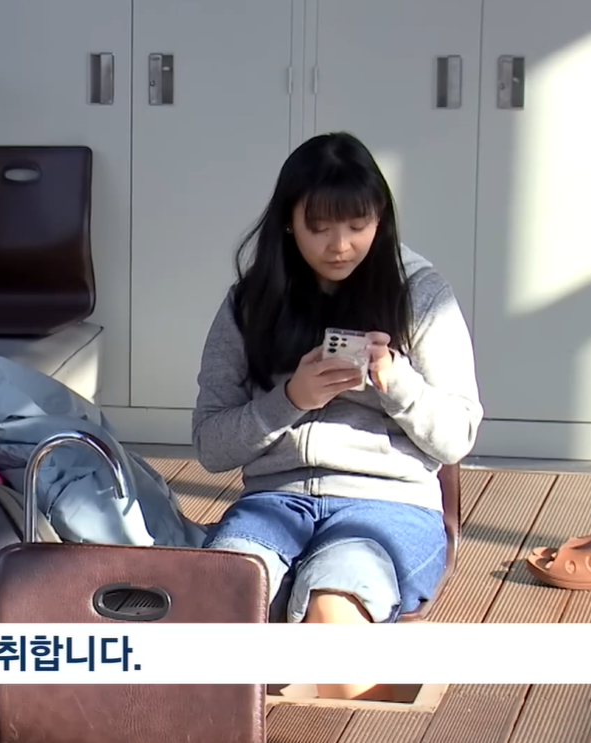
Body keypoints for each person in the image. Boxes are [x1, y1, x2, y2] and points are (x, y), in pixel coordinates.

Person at [192, 132, 482, 700]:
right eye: (320, 227)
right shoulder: (250, 303)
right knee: (219, 603)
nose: (341, 245)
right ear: (288, 224)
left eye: (357, 224)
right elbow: (210, 444)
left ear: (381, 219)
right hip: (275, 503)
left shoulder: (420, 293)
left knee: (335, 605)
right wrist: (290, 399)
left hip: (389, 503)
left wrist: (398, 383)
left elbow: (457, 437)